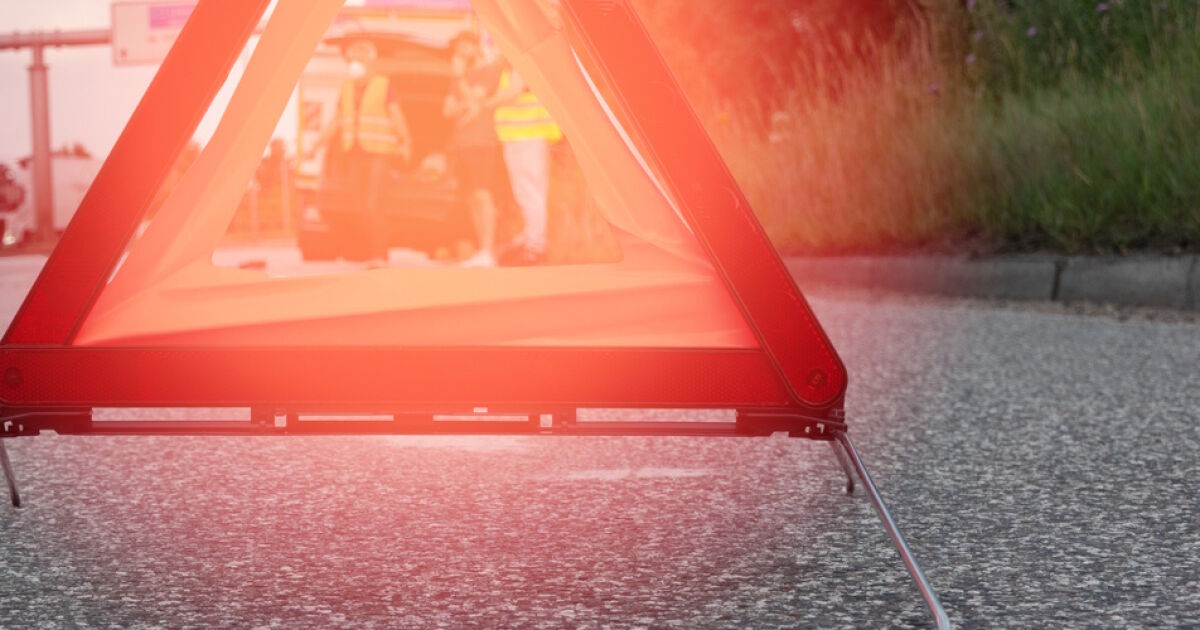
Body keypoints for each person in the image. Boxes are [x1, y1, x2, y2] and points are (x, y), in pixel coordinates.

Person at [324, 39, 412, 267]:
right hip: (355, 152)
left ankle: (380, 255)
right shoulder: (346, 88)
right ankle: (376, 251)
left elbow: (396, 115)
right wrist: (317, 144)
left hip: (379, 152)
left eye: (360, 59)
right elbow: (337, 119)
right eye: (352, 60)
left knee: (373, 202)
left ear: (371, 63)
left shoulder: (383, 85)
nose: (355, 64)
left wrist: (405, 141)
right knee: (362, 204)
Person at [442, 31, 504, 268]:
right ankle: (482, 250)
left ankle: (488, 250)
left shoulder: (488, 72)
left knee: (482, 194)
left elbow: (475, 103)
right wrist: (465, 104)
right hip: (461, 144)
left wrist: (461, 86)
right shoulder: (460, 78)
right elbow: (447, 110)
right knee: (470, 197)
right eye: (458, 49)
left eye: (464, 47)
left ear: (475, 47)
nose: (460, 53)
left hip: (482, 141)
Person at [491, 65, 562, 266]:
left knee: (529, 193)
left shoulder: (520, 65)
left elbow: (513, 92)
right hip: (525, 136)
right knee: (532, 192)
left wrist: (486, 102)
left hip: (525, 136)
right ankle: (533, 241)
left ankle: (535, 247)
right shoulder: (521, 64)